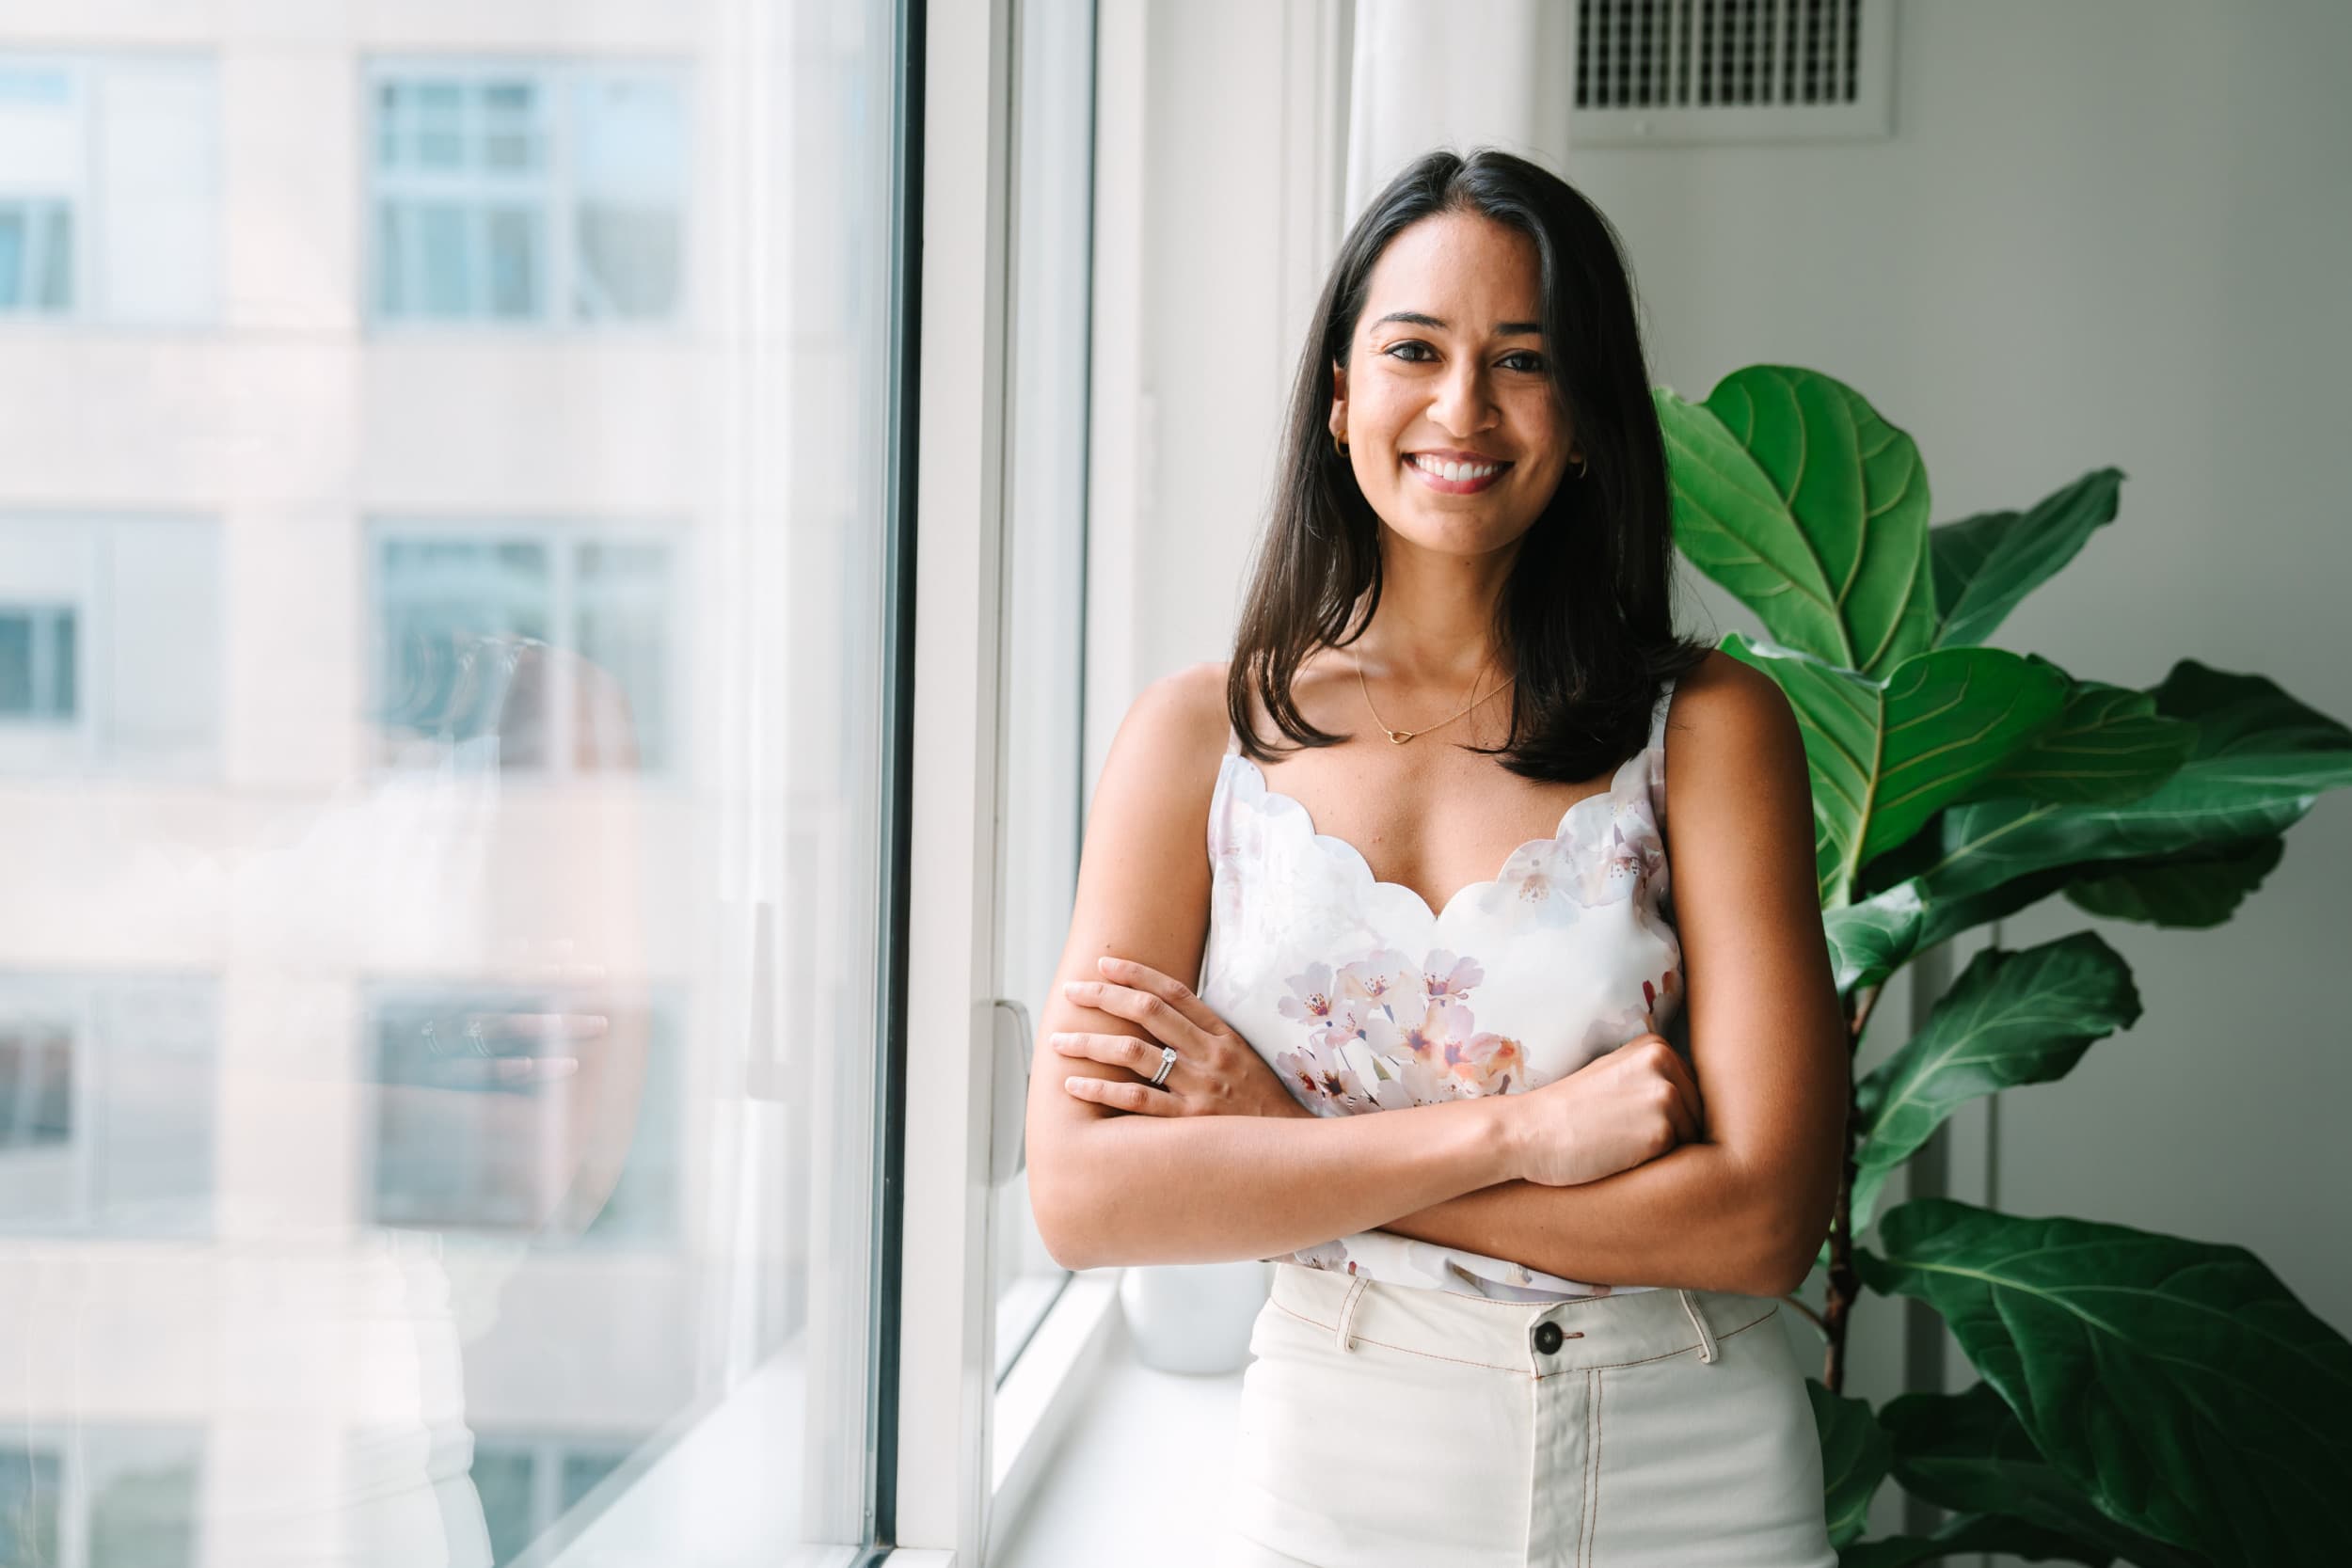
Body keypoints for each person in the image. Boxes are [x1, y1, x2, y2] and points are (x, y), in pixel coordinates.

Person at [1022, 146, 1848, 1566]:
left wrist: (1292, 1147)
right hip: (1346, 1451)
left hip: (1690, 1447)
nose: (1463, 407)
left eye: (1522, 359)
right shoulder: (1193, 743)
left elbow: (1765, 1221)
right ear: (1340, 397)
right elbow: (1088, 1198)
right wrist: (1525, 1133)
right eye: (1415, 349)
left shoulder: (1707, 728)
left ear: (1584, 419)